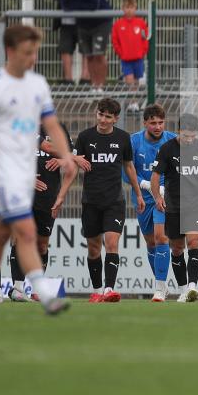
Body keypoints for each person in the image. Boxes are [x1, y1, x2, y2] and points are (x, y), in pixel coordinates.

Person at [0, 24, 76, 316]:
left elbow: (52, 124)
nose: (33, 59)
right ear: (11, 51)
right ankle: (45, 296)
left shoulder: (38, 84)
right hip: (1, 174)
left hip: (24, 173)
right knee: (27, 232)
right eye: (28, 53)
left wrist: (66, 156)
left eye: (36, 53)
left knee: (0, 235)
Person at [75, 98, 145, 303]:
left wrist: (138, 193)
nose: (103, 119)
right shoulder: (85, 137)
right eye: (100, 114)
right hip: (90, 200)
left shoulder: (123, 138)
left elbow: (129, 167)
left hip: (114, 201)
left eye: (108, 116)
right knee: (94, 248)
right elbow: (70, 164)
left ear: (115, 118)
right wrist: (74, 158)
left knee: (111, 243)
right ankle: (97, 290)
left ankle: (109, 289)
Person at [8, 122, 78, 302]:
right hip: (22, 193)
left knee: (41, 244)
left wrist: (62, 161)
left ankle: (36, 288)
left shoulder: (58, 129)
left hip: (48, 195)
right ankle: (17, 288)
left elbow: (71, 160)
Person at [152, 114, 198, 302]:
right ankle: (184, 289)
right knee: (177, 250)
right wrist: (157, 197)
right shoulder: (166, 149)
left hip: (194, 205)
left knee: (194, 243)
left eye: (192, 136)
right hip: (173, 206)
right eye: (186, 135)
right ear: (178, 131)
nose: (189, 139)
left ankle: (193, 286)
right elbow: (155, 176)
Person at [125, 104, 176, 302]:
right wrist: (145, 185)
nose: (157, 126)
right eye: (153, 123)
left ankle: (160, 288)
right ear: (145, 122)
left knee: (161, 237)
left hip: (165, 197)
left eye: (161, 122)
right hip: (142, 198)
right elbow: (126, 171)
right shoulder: (134, 141)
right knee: (150, 242)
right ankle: (161, 284)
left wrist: (167, 188)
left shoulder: (172, 140)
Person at [59, 0, 111, 92]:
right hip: (82, 24)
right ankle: (94, 86)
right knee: (89, 56)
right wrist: (81, 7)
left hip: (100, 23)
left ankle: (101, 86)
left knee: (99, 54)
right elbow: (65, 5)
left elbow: (95, 5)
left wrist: (76, 6)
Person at [111, 0, 149, 112]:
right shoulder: (118, 24)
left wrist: (143, 52)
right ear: (123, 8)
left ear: (135, 8)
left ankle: (135, 102)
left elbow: (145, 38)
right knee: (130, 79)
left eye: (131, 7)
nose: (129, 10)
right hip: (126, 59)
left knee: (136, 80)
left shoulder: (141, 23)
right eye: (127, 7)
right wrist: (121, 53)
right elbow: (115, 40)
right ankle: (133, 102)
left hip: (138, 58)